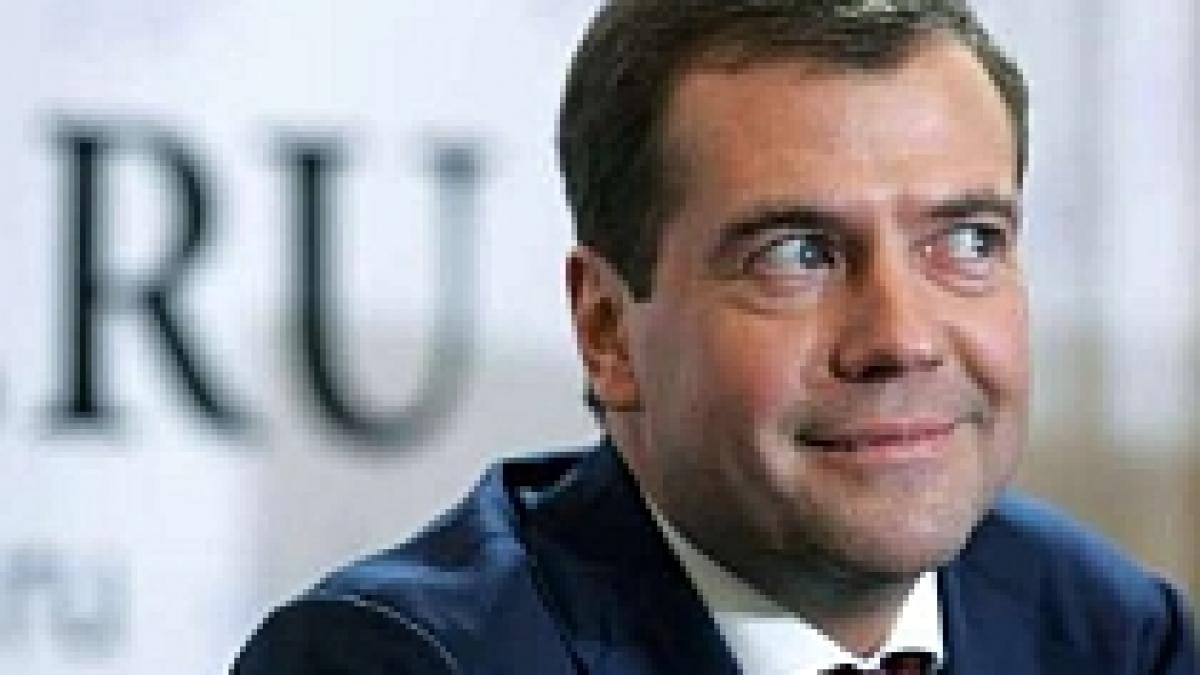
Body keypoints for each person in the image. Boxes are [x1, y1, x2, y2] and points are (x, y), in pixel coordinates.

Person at [232, 1, 1198, 673]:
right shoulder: (404, 661)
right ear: (607, 331)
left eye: (969, 240)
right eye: (797, 254)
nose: (902, 339)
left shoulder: (1111, 632)